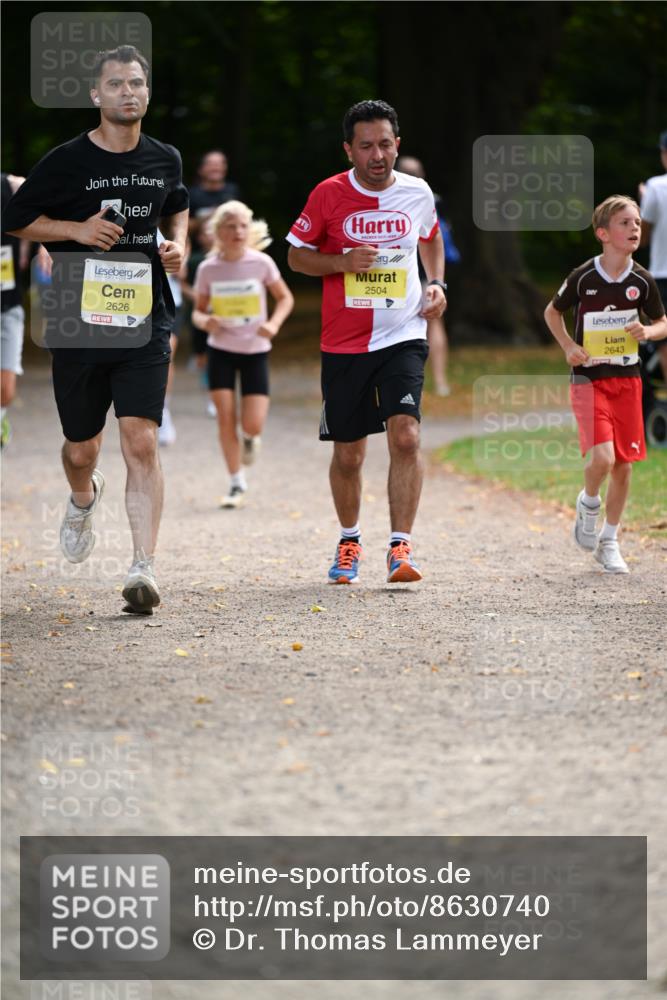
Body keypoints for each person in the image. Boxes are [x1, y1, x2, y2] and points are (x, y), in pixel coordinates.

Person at [4, 44, 189, 613]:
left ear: (147, 93)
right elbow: (15, 218)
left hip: (143, 320)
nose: (127, 92)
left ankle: (143, 568)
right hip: (76, 319)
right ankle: (82, 497)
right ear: (96, 95)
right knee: (82, 449)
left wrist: (175, 242)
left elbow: (175, 204)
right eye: (116, 84)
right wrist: (75, 231)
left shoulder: (165, 158)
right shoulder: (65, 161)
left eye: (136, 83)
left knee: (140, 441)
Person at [286, 99, 446, 584]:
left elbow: (431, 237)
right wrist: (340, 263)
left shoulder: (418, 192)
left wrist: (437, 283)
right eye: (366, 146)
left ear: (398, 144)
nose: (377, 155)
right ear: (348, 150)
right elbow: (296, 258)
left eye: (385, 144)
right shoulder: (328, 195)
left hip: (404, 333)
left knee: (406, 435)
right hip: (345, 343)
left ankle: (400, 548)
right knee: (349, 453)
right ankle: (350, 539)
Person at [544, 195, 666, 574]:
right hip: (589, 380)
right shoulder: (585, 276)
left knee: (624, 467)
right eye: (625, 223)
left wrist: (647, 331)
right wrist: (569, 347)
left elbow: (664, 322)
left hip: (628, 381)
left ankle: (609, 541)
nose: (635, 228)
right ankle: (588, 502)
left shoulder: (642, 280)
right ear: (603, 233)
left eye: (637, 223)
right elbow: (552, 312)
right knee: (603, 458)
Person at [192, 201, 293, 507]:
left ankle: (250, 438)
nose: (237, 231)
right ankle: (236, 482)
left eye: (242, 226)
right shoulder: (208, 268)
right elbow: (196, 313)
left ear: (249, 229)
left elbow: (285, 298)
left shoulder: (261, 263)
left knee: (252, 424)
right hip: (221, 349)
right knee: (225, 417)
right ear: (218, 231)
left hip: (255, 351)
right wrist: (206, 321)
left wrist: (273, 324)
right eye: (230, 226)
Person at [396, 155, 460, 397]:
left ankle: (414, 382)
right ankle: (440, 382)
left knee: (415, 325)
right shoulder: (435, 200)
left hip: (405, 273)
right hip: (427, 274)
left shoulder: (392, 199)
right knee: (434, 324)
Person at [1, 173, 28, 447]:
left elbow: (46, 209)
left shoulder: (11, 186)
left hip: (7, 305)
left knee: (5, 391)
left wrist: (44, 248)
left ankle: (1, 418)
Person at [639, 129, 667, 383]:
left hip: (663, 275)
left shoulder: (656, 187)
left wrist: (644, 199)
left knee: (664, 341)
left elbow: (641, 235)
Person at [188, 150, 240, 251]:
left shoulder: (233, 191)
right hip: (198, 251)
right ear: (200, 169)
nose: (216, 167)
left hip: (228, 249)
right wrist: (207, 217)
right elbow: (181, 226)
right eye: (211, 164)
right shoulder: (191, 194)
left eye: (220, 163)